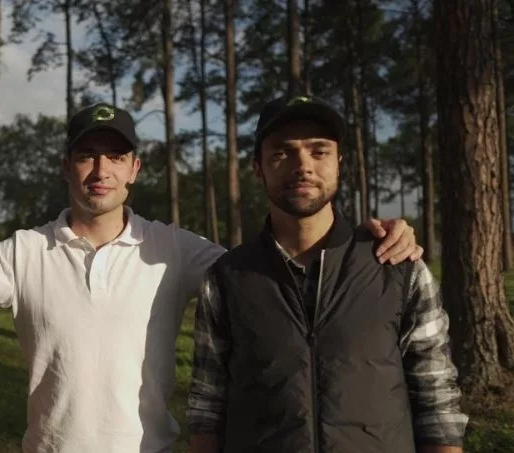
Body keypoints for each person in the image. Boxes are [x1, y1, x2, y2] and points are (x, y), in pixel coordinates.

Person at [0, 103, 423, 453]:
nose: (101, 171)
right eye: (88, 156)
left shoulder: (177, 249)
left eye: (115, 156)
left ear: (135, 169)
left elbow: (271, 268)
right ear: (68, 166)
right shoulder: (24, 251)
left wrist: (373, 237)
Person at [187, 96, 468, 453]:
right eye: (282, 153)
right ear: (258, 168)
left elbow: (437, 402)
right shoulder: (226, 278)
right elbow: (207, 409)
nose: (303, 166)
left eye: (319, 152)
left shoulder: (398, 267)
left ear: (339, 163)